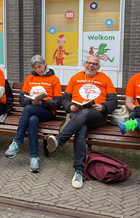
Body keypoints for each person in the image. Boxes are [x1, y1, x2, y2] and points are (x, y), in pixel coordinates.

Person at [47, 56, 118, 189]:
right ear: (84, 64)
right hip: (77, 114)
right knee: (81, 129)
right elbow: (65, 98)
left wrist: (103, 107)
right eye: (89, 63)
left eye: (94, 64)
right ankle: (79, 171)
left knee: (84, 113)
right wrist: (69, 107)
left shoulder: (105, 79)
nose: (91, 66)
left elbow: (114, 101)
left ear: (98, 67)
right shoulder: (75, 78)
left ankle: (60, 139)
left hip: (97, 116)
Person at [4, 55, 62, 173]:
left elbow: (58, 102)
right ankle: (34, 157)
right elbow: (21, 99)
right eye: (35, 68)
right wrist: (31, 101)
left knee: (29, 109)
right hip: (32, 112)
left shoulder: (54, 79)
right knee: (32, 120)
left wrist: (42, 102)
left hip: (48, 112)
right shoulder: (30, 78)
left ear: (44, 64)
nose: (38, 70)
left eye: (40, 66)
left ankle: (17, 141)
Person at [118, 53, 140, 189]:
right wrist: (139, 107)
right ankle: (135, 122)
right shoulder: (134, 79)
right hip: (139, 113)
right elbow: (128, 103)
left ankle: (133, 124)